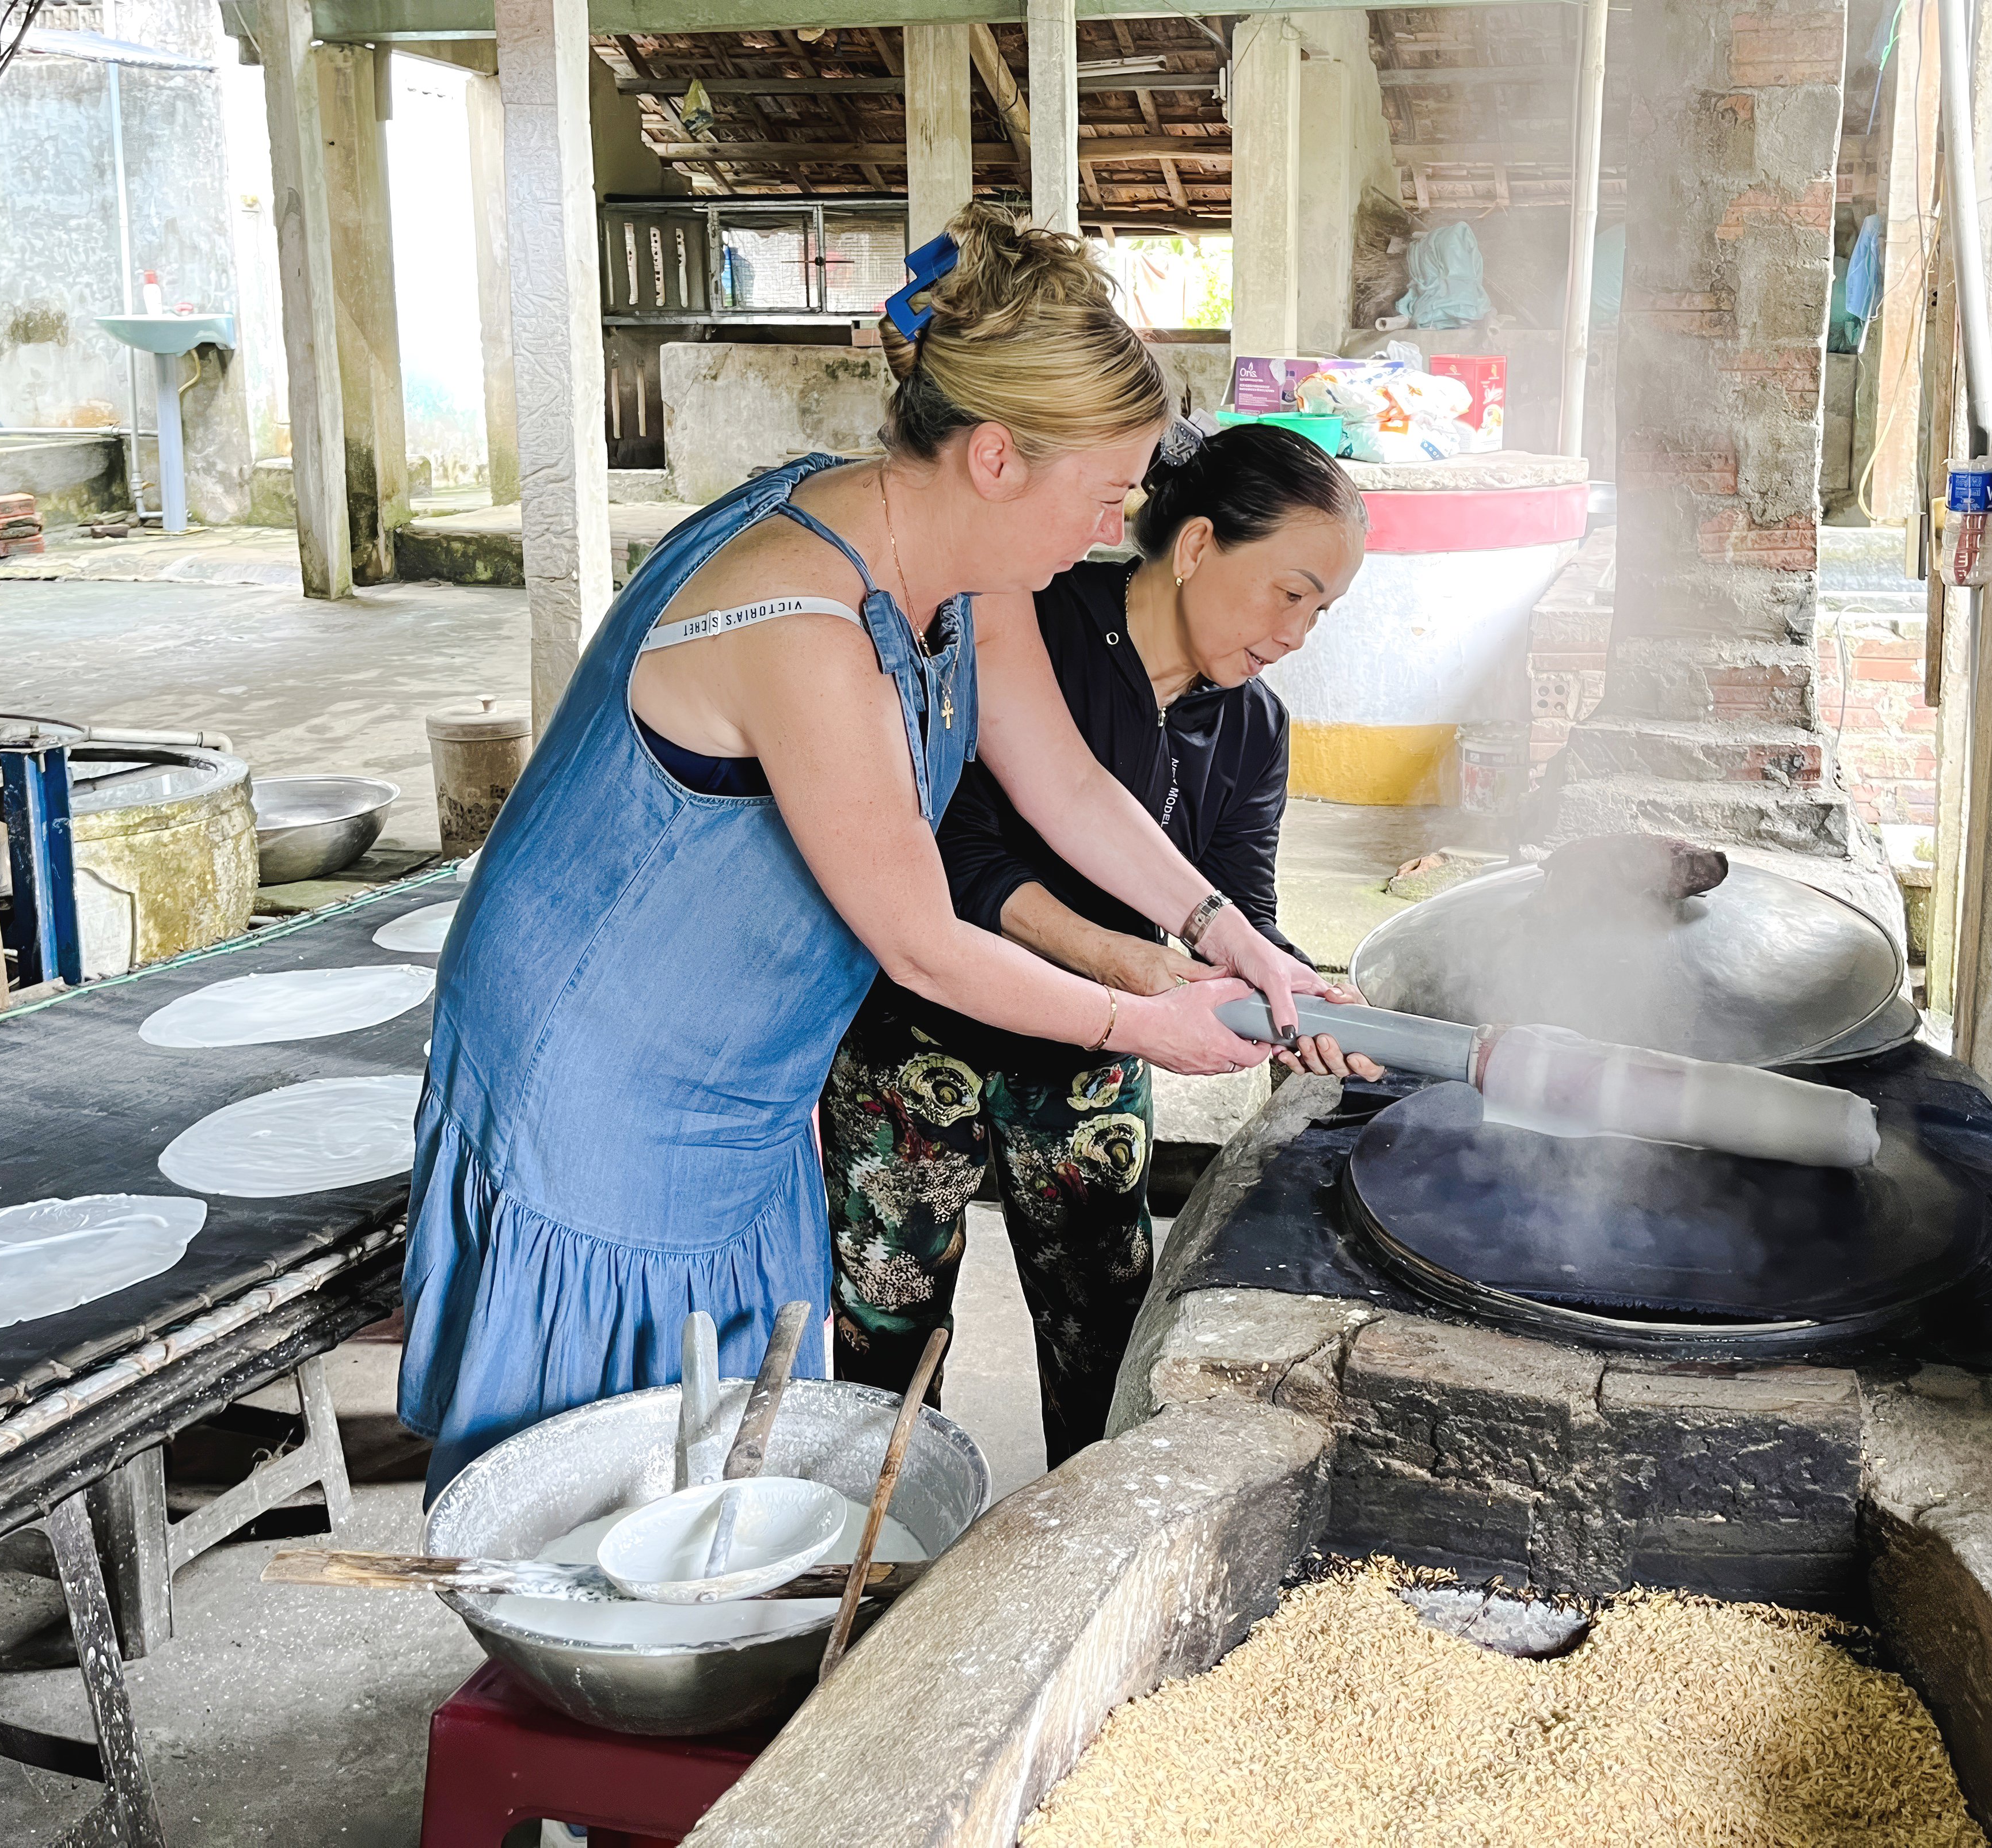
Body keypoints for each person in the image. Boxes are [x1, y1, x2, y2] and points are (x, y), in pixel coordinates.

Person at [400, 207, 1326, 1496]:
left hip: (748, 1078)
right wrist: (1142, 1025)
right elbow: (921, 941)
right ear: (998, 457)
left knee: (726, 1459)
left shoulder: (962, 564)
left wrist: (1221, 931)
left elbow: (1057, 779)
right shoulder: (805, 623)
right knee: (590, 1485)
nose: (1116, 530)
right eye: (1107, 495)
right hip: (605, 1071)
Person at [823, 421, 1379, 1466]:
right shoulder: (1032, 627)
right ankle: (878, 1567)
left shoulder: (1252, 728)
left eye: (1323, 610)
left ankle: (1074, 1577)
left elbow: (1237, 911)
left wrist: (1295, 994)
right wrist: (1114, 958)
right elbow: (958, 854)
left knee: (1103, 1336)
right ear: (1202, 543)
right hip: (922, 1035)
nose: (1300, 631)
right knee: (886, 1331)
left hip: (1093, 1064)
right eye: (1290, 592)